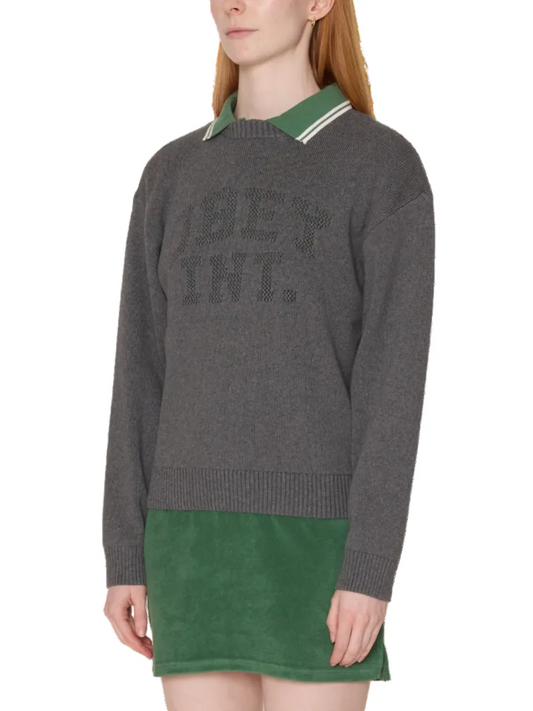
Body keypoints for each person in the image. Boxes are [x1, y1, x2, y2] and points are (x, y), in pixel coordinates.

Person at [102, 0, 435, 709]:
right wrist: (125, 550)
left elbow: (392, 390)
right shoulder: (170, 174)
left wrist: (370, 567)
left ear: (317, 3)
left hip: (318, 552)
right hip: (187, 546)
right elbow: (139, 375)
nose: (234, 4)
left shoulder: (381, 168)